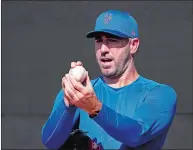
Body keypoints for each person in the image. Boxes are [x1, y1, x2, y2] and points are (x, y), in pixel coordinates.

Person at [41, 9, 177, 150]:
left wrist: (94, 108)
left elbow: (137, 134)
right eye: (99, 40)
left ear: (133, 45)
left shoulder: (159, 94)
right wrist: (68, 105)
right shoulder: (79, 93)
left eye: (112, 40)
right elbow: (50, 142)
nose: (103, 48)